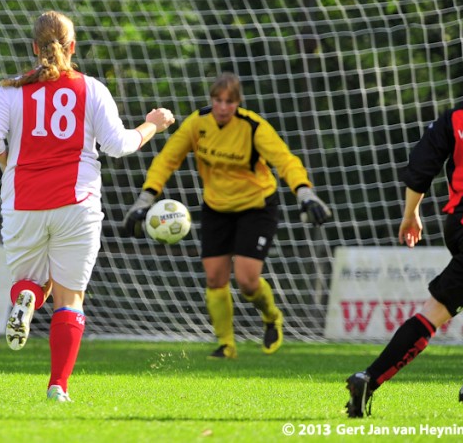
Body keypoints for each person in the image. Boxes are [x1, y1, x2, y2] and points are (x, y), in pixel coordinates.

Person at [0, 10, 175, 402]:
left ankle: (25, 298)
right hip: (77, 204)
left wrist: (8, 161)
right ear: (72, 46)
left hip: (24, 202)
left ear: (34, 48)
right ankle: (58, 387)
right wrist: (152, 123)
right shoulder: (90, 88)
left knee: (31, 285)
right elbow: (118, 145)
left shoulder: (11, 90)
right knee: (70, 299)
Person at [123, 72, 331, 359]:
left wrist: (305, 193)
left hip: (256, 207)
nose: (223, 107)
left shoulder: (252, 126)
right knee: (215, 278)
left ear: (238, 103)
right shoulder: (197, 124)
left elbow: (285, 160)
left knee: (247, 280)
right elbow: (167, 159)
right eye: (218, 100)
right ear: (211, 100)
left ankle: (272, 317)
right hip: (216, 208)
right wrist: (146, 198)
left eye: (229, 102)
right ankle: (226, 345)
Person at [345, 36, 463, 418]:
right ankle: (370, 378)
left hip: (459, 225)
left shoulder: (456, 119)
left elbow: (420, 170)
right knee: (435, 312)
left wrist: (410, 215)